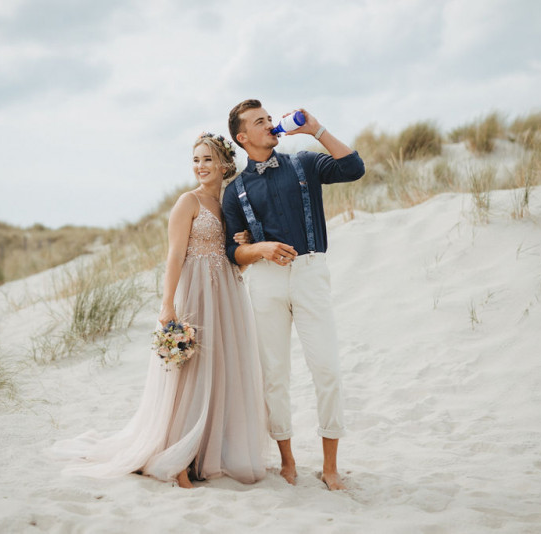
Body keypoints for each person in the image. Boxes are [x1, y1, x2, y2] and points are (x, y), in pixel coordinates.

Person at [49, 133, 267, 488]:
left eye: (208, 159)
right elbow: (174, 255)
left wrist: (244, 247)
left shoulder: (231, 205)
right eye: (196, 159)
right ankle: (175, 455)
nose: (200, 166)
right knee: (188, 372)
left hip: (226, 293)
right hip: (194, 290)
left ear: (225, 164)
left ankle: (207, 453)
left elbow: (236, 263)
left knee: (221, 369)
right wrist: (168, 304)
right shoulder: (187, 202)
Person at [222, 99, 365, 491]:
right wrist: (260, 249)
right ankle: (287, 460)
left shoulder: (304, 162)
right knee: (275, 377)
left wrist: (316, 130)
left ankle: (330, 466)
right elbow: (232, 252)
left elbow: (353, 168)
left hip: (310, 274)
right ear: (242, 137)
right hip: (266, 282)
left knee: (328, 371)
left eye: (269, 118)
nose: (269, 124)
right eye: (259, 121)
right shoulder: (234, 191)